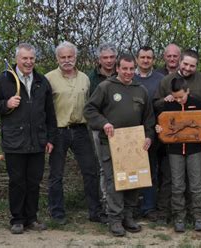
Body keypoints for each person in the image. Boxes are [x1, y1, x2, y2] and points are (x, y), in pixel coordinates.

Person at [0, 43, 57, 234]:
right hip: (14, 141)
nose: (28, 62)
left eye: (31, 58)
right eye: (24, 58)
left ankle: (31, 218)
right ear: (17, 59)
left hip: (37, 141)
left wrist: (50, 138)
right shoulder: (3, 80)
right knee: (17, 181)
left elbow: (50, 114)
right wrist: (5, 104)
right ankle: (17, 220)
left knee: (34, 181)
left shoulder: (42, 81)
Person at [84, 54, 155, 236]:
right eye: (124, 68)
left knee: (133, 179)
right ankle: (115, 219)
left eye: (131, 69)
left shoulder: (141, 90)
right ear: (117, 68)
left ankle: (128, 216)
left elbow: (149, 118)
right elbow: (90, 109)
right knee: (114, 181)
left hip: (134, 144)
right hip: (111, 142)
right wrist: (103, 123)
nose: (128, 72)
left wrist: (149, 136)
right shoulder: (106, 87)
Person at [45, 41, 103, 225]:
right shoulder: (48, 79)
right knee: (56, 174)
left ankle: (95, 211)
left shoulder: (85, 78)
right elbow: (44, 109)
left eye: (70, 57)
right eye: (63, 57)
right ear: (57, 58)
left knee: (90, 171)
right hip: (58, 131)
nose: (67, 60)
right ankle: (57, 213)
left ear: (75, 57)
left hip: (80, 130)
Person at [155, 77, 201, 232]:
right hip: (174, 151)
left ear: (188, 91)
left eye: (182, 96)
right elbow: (162, 123)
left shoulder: (198, 103)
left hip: (194, 150)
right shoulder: (167, 106)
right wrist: (158, 129)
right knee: (177, 185)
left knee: (196, 185)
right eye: (176, 97)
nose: (179, 100)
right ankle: (179, 217)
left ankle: (199, 216)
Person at [134, 46, 165, 221]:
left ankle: (149, 207)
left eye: (149, 58)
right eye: (142, 57)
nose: (146, 60)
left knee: (150, 170)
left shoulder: (161, 79)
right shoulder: (129, 76)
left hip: (151, 132)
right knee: (131, 170)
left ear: (154, 60)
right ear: (137, 59)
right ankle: (131, 207)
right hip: (129, 133)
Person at [88, 43, 118, 215]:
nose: (108, 61)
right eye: (105, 57)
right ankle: (107, 203)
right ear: (99, 59)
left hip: (120, 128)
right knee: (103, 167)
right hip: (100, 129)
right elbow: (90, 107)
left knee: (121, 165)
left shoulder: (122, 74)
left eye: (111, 57)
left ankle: (122, 204)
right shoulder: (91, 78)